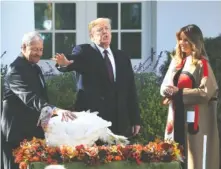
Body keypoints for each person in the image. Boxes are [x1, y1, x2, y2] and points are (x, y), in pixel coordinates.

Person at [53, 18, 141, 137]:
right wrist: (64, 63)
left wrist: (135, 119)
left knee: (120, 155)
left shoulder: (122, 56)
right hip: (93, 121)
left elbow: (131, 89)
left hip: (120, 120)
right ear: (92, 36)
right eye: (100, 30)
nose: (105, 32)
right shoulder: (84, 51)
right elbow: (72, 61)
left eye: (107, 29)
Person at [1, 31, 76, 169]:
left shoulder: (35, 67)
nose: (39, 53)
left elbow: (42, 96)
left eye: (41, 49)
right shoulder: (15, 70)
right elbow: (29, 97)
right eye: (35, 49)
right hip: (16, 135)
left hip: (32, 132)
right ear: (23, 47)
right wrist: (55, 110)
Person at [160, 24, 219, 169]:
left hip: (193, 121)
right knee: (174, 157)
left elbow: (206, 92)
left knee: (194, 160)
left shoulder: (201, 64)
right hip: (176, 117)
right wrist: (167, 91)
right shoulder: (177, 62)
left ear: (195, 42)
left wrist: (179, 93)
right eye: (180, 39)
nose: (182, 43)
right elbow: (164, 86)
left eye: (186, 40)